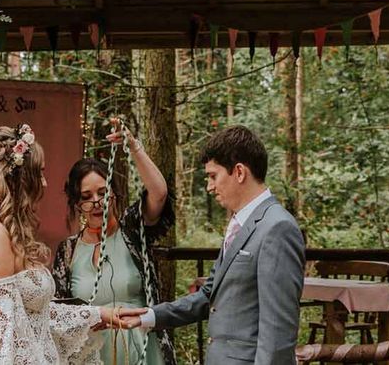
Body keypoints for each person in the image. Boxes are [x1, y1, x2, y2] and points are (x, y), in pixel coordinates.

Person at [119, 125, 305, 365]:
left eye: (213, 175)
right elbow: (210, 295)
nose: (209, 186)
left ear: (239, 172)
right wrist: (150, 316)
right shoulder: (240, 223)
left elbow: (278, 333)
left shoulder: (277, 228)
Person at [0, 124, 127, 365]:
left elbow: (36, 317)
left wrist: (96, 314)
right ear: (19, 177)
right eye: (40, 173)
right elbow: (6, 345)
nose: (44, 183)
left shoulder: (6, 233)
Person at [52, 119, 177, 365]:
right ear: (77, 204)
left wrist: (133, 146)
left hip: (142, 351)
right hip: (91, 355)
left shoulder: (132, 230)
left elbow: (159, 193)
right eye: (87, 197)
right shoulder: (68, 251)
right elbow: (60, 313)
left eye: (102, 192)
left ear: (114, 193)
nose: (97, 202)